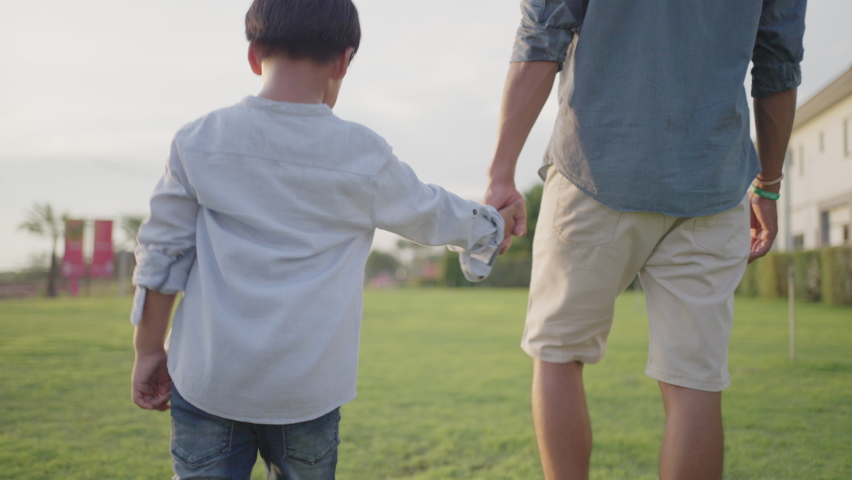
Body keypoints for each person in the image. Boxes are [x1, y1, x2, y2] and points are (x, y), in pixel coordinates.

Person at [129, 1, 524, 478]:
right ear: (343, 61)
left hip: (210, 380)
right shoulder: (363, 155)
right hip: (308, 393)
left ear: (254, 55)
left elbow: (163, 256)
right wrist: (492, 224)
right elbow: (431, 212)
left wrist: (149, 349)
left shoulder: (198, 141)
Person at [485, 1, 806, 479]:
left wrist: (501, 174)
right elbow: (778, 62)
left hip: (594, 166)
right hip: (712, 182)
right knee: (694, 383)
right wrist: (769, 183)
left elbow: (543, 30)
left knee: (559, 353)